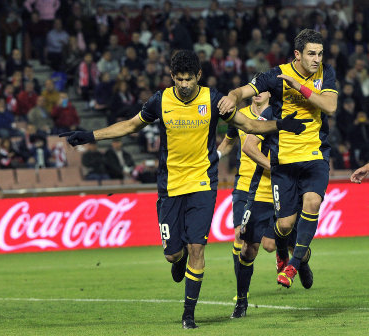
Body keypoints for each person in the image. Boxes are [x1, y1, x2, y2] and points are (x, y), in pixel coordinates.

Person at [60, 50, 310, 329]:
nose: (184, 84)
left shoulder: (213, 100)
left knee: (197, 249)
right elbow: (131, 126)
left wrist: (282, 124)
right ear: (172, 77)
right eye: (179, 79)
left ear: (198, 76)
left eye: (188, 79)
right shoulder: (161, 100)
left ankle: (188, 316)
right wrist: (90, 136)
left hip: (203, 183)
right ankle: (176, 260)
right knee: (173, 254)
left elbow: (250, 124)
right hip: (170, 185)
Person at [218, 29, 338, 289]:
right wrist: (232, 97)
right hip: (284, 164)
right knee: (283, 227)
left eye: (319, 53)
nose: (317, 59)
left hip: (315, 155)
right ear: (297, 54)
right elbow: (243, 91)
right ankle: (294, 257)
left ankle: (292, 267)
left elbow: (330, 106)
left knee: (313, 202)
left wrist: (300, 86)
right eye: (311, 54)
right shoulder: (275, 76)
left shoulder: (325, 73)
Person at [217, 79, 312, 319]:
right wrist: (215, 156)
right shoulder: (243, 117)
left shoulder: (288, 116)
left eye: (263, 91)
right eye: (255, 91)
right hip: (251, 188)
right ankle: (241, 301)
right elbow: (236, 143)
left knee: (278, 244)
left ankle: (300, 260)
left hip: (286, 190)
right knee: (246, 245)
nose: (258, 94)